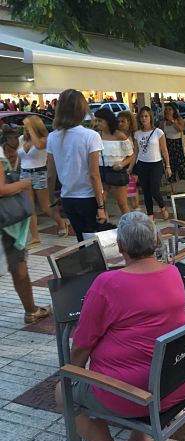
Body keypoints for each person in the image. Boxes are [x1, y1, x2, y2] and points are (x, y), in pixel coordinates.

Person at [54, 212, 185, 441]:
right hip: (180, 379)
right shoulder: (173, 273)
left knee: (63, 394)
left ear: (120, 247)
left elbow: (81, 345)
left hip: (139, 395)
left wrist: (70, 374)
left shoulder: (108, 284)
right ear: (155, 242)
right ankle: (139, 440)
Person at [47, 89, 106, 242]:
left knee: (81, 240)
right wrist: (101, 207)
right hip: (88, 197)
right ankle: (96, 266)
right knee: (95, 241)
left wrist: (51, 201)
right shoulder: (90, 136)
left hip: (67, 197)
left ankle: (86, 264)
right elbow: (94, 174)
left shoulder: (52, 137)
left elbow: (50, 174)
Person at [0, 154, 51, 323]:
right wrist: (23, 183)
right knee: (19, 267)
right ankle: (31, 311)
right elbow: (1, 189)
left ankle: (31, 310)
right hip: (5, 226)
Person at [13, 119, 67, 242]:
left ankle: (61, 222)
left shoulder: (44, 139)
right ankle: (35, 236)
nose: (26, 128)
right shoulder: (22, 139)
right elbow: (19, 157)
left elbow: (38, 145)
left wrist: (30, 128)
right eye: (25, 126)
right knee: (29, 207)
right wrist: (14, 171)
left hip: (39, 172)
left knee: (45, 207)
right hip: (24, 173)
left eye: (29, 126)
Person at [130, 106, 171, 221]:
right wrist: (131, 167)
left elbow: (164, 150)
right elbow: (135, 152)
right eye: (142, 116)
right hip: (142, 165)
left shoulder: (158, 132)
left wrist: (168, 166)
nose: (144, 118)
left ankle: (162, 208)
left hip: (156, 164)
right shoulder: (137, 134)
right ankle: (150, 215)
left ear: (150, 117)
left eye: (146, 116)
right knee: (146, 191)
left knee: (154, 189)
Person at [94, 108, 133, 215]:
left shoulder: (119, 135)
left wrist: (121, 165)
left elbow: (131, 155)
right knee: (101, 202)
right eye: (96, 120)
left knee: (122, 203)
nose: (98, 123)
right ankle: (105, 225)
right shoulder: (97, 135)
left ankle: (129, 227)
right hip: (101, 169)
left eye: (100, 121)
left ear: (107, 121)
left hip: (116, 170)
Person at [162, 102, 185, 195]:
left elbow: (180, 129)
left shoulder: (178, 119)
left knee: (182, 168)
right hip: (169, 145)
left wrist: (172, 121)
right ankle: (173, 190)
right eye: (166, 109)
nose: (167, 111)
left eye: (170, 109)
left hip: (178, 145)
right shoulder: (163, 122)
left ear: (174, 111)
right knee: (171, 168)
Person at [117, 111, 141, 211]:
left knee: (131, 189)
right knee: (126, 192)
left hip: (132, 164)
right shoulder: (116, 135)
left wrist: (130, 167)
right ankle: (133, 209)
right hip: (121, 164)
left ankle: (136, 208)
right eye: (118, 121)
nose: (120, 124)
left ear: (129, 122)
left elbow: (135, 152)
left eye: (123, 121)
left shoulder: (134, 134)